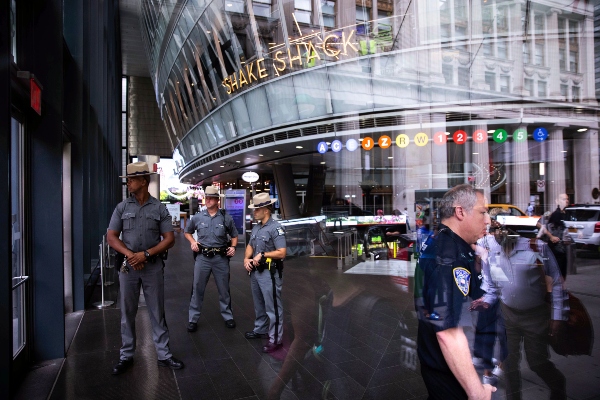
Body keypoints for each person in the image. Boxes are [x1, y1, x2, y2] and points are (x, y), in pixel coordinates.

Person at [415, 184, 495, 400]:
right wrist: (476, 392)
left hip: (462, 368)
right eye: (482, 212)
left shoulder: (455, 247)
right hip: (453, 379)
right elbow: (448, 332)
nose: (488, 219)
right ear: (461, 212)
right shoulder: (448, 258)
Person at [107, 161, 183, 375]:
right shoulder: (122, 207)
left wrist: (146, 254)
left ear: (143, 181)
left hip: (152, 267)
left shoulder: (159, 208)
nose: (128, 183)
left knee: (157, 311)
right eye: (128, 180)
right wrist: (132, 255)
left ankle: (164, 355)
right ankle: (126, 355)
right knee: (127, 312)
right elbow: (111, 237)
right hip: (129, 268)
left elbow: (169, 239)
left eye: (131, 179)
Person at [489, 229, 568, 400]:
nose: (496, 233)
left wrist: (557, 316)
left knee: (537, 363)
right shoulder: (494, 249)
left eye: (500, 228)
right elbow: (495, 283)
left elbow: (555, 281)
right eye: (493, 229)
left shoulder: (536, 247)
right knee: (509, 364)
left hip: (535, 316)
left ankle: (558, 385)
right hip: (508, 315)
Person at [185, 186, 238, 332]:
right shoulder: (198, 217)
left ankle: (228, 316)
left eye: (210, 198)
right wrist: (193, 242)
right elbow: (187, 232)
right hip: (202, 258)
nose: (207, 200)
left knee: (224, 289)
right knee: (197, 288)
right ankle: (193, 319)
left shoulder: (226, 217)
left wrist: (233, 247)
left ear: (217, 200)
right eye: (206, 197)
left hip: (221, 258)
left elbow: (234, 235)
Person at [243, 192, 287, 353]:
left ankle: (276, 339)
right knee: (259, 303)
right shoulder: (257, 227)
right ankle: (261, 329)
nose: (254, 212)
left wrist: (263, 254)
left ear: (266, 210)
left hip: (270, 273)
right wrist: (246, 259)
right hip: (256, 272)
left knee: (273, 306)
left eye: (256, 209)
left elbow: (282, 252)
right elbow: (250, 246)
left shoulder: (276, 228)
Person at [545, 193, 571, 279]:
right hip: (556, 247)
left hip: (562, 247)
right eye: (564, 199)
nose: (566, 201)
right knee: (556, 272)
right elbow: (545, 227)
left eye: (567, 199)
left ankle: (561, 290)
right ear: (557, 201)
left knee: (562, 272)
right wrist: (551, 237)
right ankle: (555, 290)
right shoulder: (556, 214)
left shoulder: (567, 213)